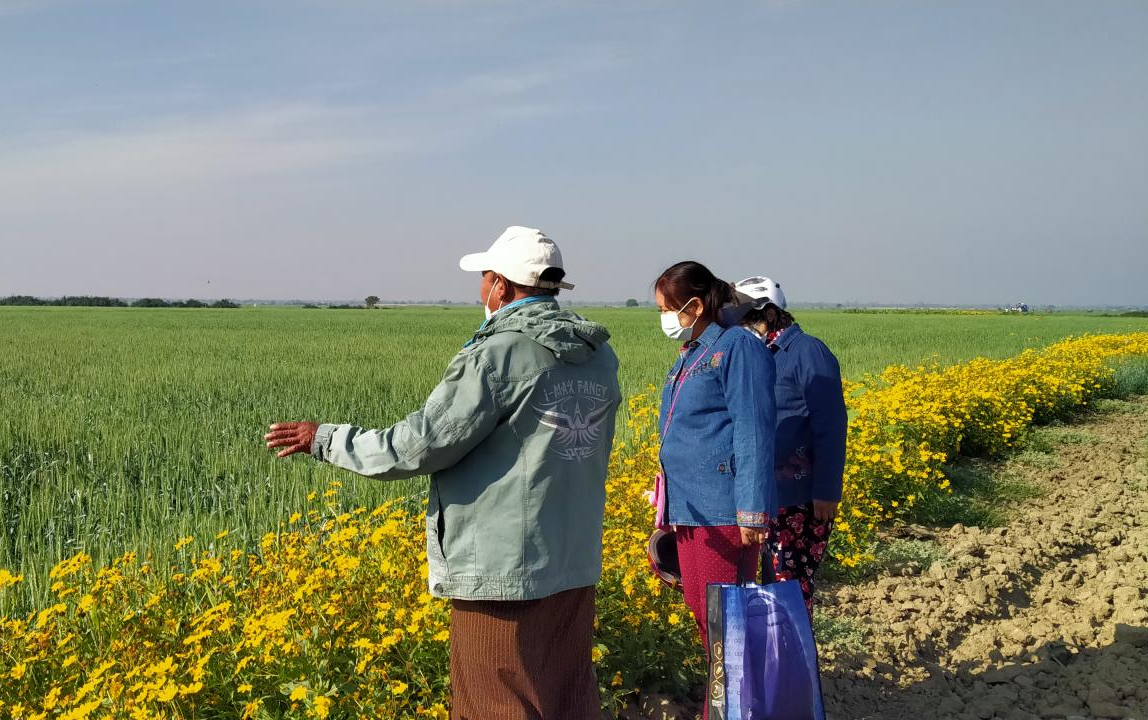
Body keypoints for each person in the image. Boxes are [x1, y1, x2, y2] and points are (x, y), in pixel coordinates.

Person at [265, 226, 620, 720]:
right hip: (573, 561)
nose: (481, 288)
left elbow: (418, 446)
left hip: (503, 568)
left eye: (484, 278)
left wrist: (325, 439)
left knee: (494, 704)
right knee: (567, 697)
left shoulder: (498, 354)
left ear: (500, 285)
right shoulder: (598, 354)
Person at [651, 261, 776, 649]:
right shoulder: (693, 352)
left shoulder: (737, 347)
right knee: (703, 610)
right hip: (690, 507)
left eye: (667, 309)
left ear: (695, 306)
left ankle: (737, 689)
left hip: (722, 509)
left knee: (724, 618)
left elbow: (754, 430)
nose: (664, 318)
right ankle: (721, 688)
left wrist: (752, 511)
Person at [734, 276, 847, 614]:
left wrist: (826, 490)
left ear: (769, 314)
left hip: (800, 497)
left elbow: (831, 424)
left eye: (745, 319)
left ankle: (793, 647)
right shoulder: (757, 354)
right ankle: (776, 646)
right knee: (769, 585)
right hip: (767, 494)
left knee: (789, 589)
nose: (739, 327)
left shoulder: (807, 352)